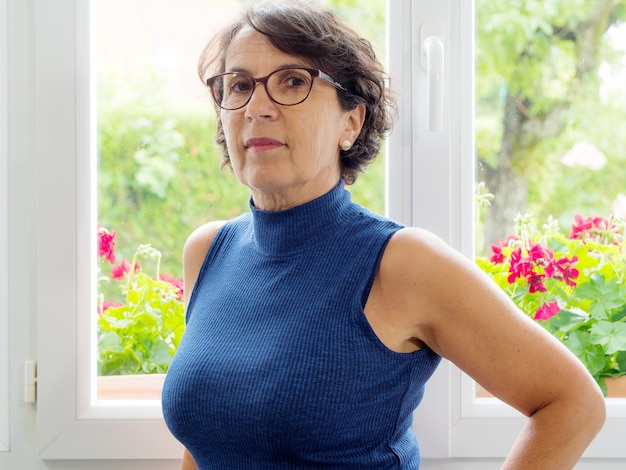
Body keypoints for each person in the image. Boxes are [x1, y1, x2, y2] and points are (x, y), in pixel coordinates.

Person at [161, 1, 606, 468]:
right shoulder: (208, 251)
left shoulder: (401, 262)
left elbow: (573, 403)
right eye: (239, 86)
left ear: (350, 122)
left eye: (293, 81)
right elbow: (206, 442)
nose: (257, 107)